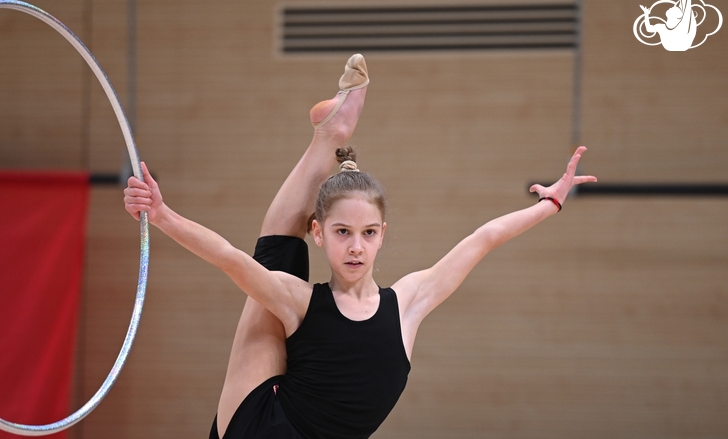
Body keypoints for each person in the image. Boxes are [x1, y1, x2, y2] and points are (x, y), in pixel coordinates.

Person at [123, 55, 597, 439]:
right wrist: (163, 216)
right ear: (319, 232)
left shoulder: (408, 302)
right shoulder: (301, 301)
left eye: (368, 233)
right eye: (342, 233)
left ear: (383, 234)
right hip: (261, 428)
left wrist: (549, 206)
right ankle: (329, 137)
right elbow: (227, 257)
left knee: (274, 267)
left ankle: (330, 137)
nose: (356, 247)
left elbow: (483, 238)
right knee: (270, 272)